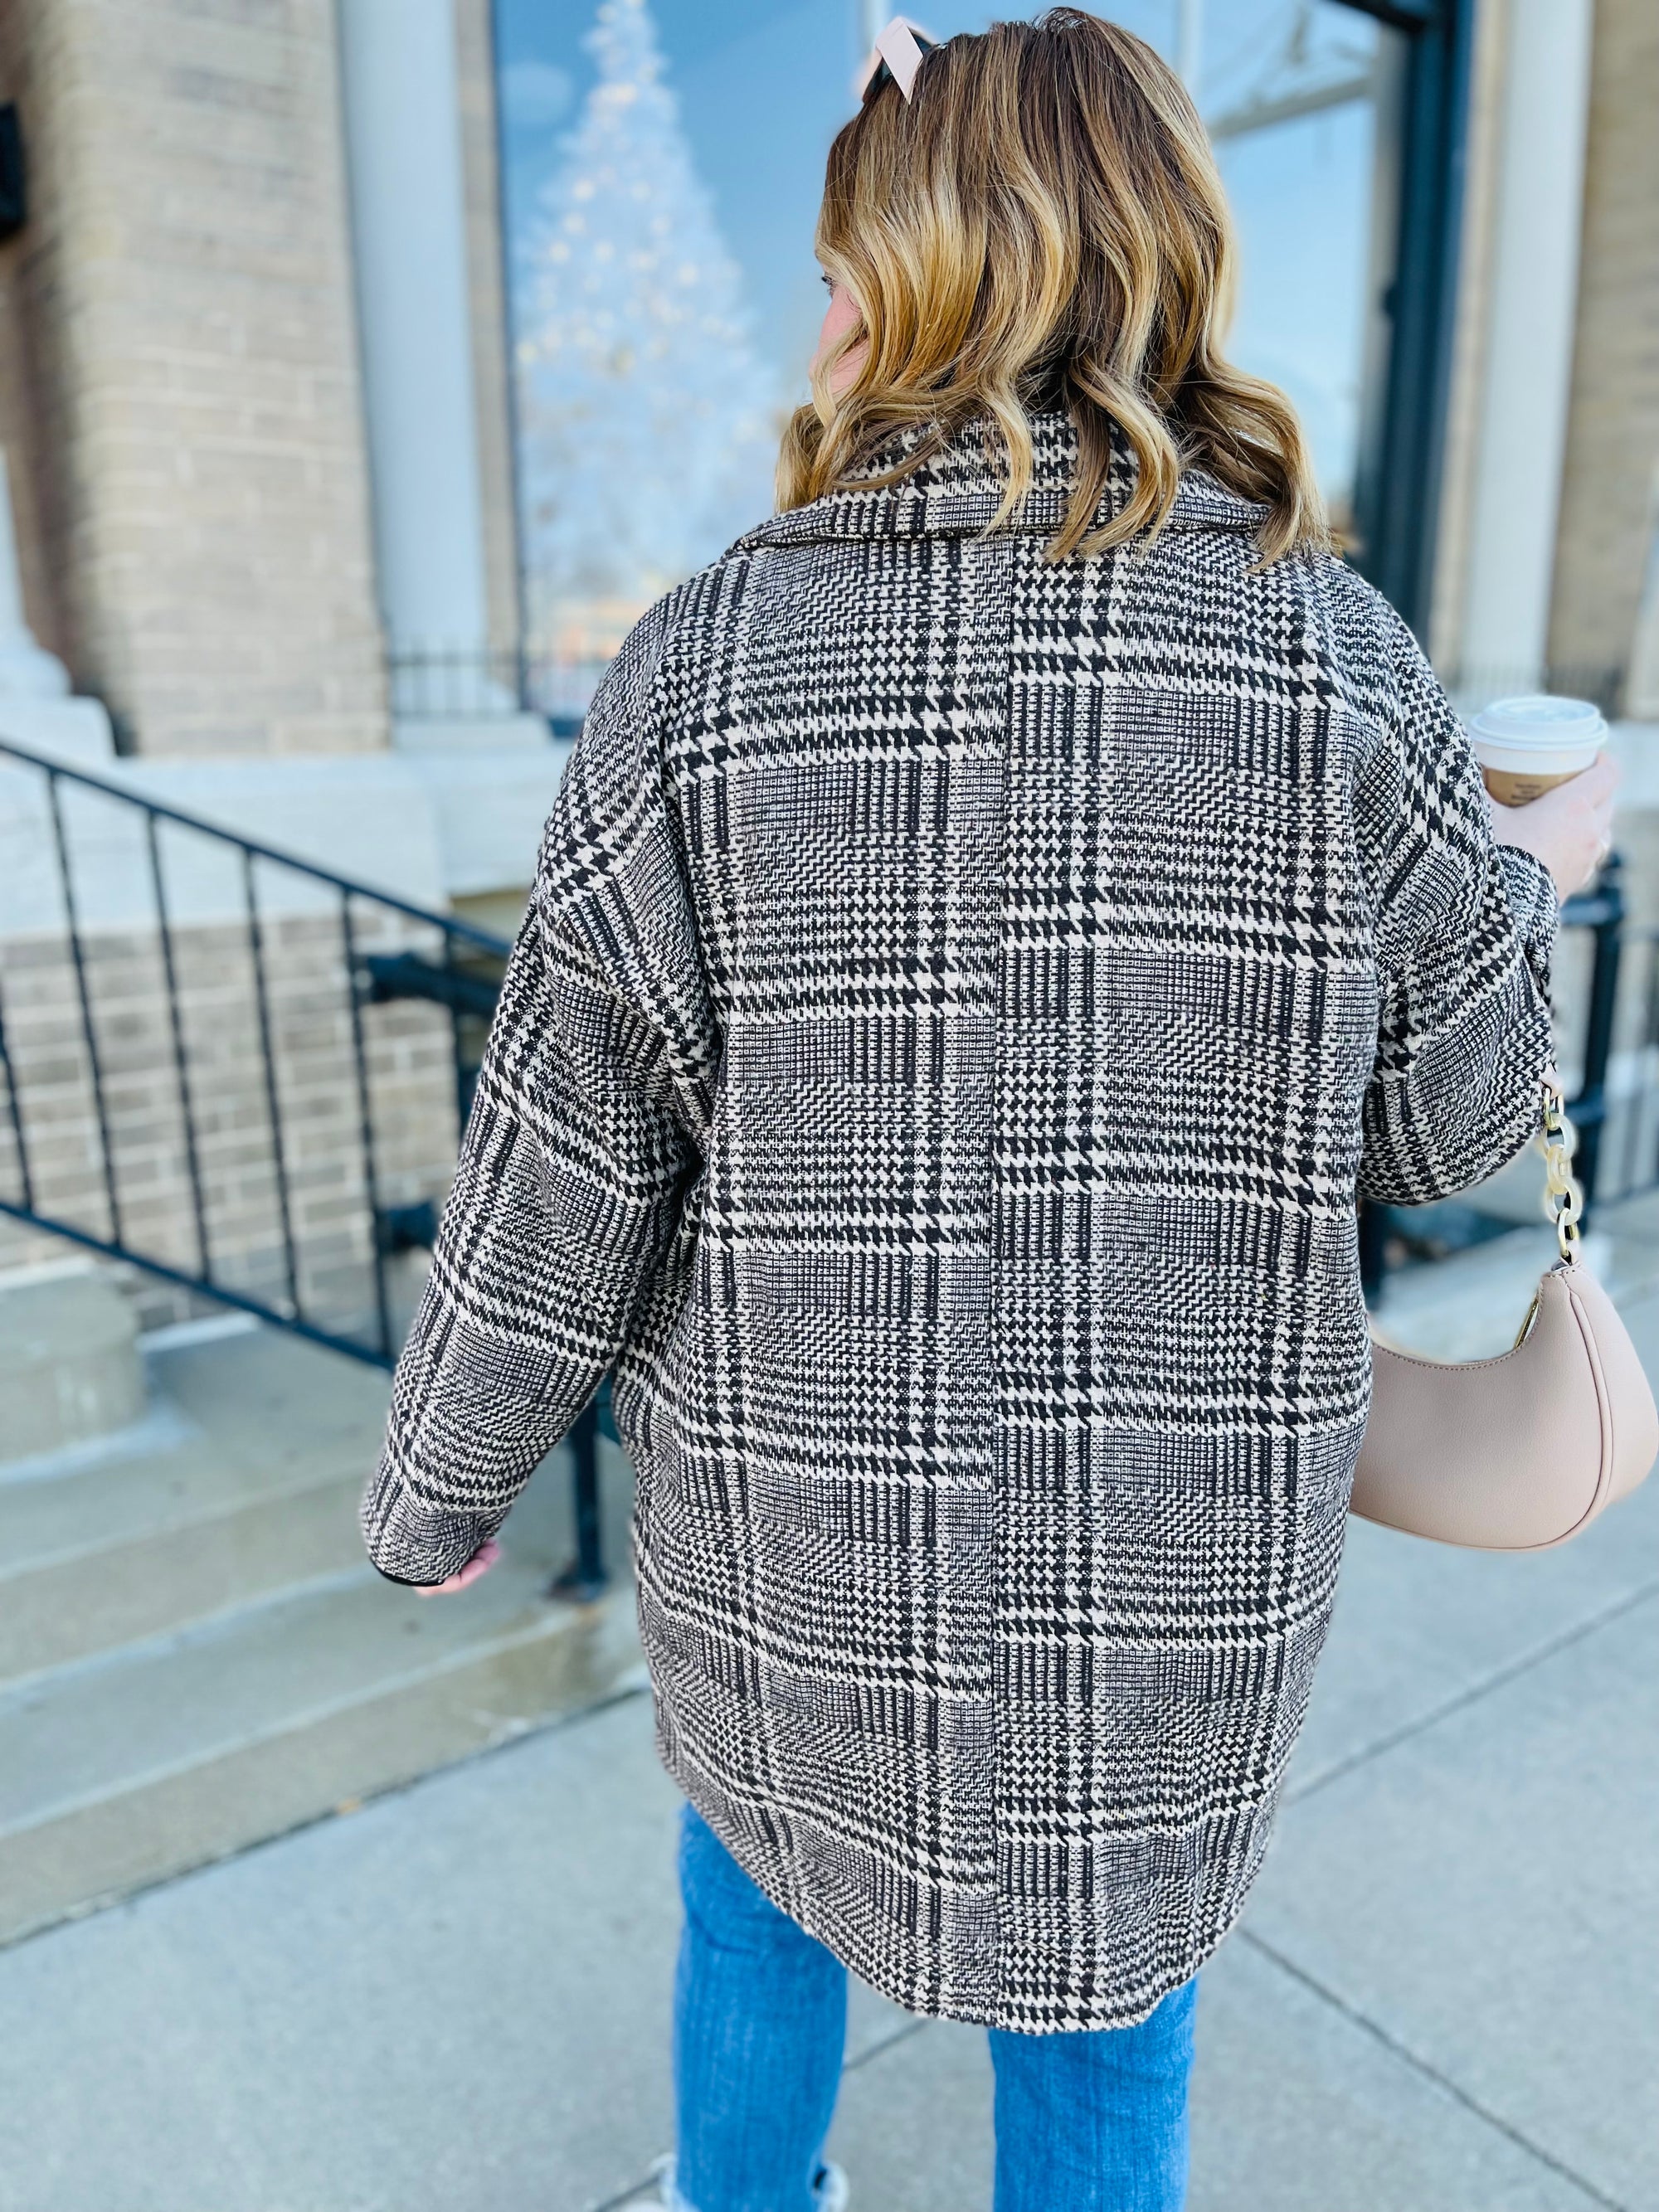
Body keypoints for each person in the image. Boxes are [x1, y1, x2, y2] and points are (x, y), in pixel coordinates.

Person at [360, 12, 1617, 2209]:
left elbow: (565, 1143)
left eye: (846, 262)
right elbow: (1449, 1119)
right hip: (1170, 1576)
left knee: (752, 1915)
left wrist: (441, 1476)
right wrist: (1537, 874)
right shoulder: (1329, 659)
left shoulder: (703, 662)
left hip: (792, 1563)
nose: (813, 310)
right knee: (1113, 2016)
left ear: (941, 276)